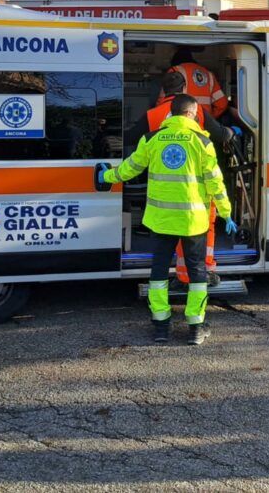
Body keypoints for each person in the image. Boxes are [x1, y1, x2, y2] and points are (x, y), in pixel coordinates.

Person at [99, 94, 236, 345]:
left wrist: (106, 177)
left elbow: (130, 168)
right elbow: (215, 182)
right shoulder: (203, 142)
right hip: (193, 221)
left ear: (170, 113)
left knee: (159, 271)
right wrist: (226, 213)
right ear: (192, 113)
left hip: (161, 220)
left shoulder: (152, 139)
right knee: (196, 273)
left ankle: (161, 326)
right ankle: (196, 327)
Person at [130, 71, 236, 289]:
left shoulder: (152, 115)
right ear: (185, 90)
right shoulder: (197, 114)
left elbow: (130, 138)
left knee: (164, 247)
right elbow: (220, 137)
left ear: (162, 92)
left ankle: (174, 285)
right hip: (195, 195)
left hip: (162, 192)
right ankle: (200, 276)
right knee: (200, 234)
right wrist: (232, 132)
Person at [163, 47, 229, 118]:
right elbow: (222, 104)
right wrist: (210, 118)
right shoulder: (208, 74)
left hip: (183, 122)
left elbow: (163, 101)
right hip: (204, 124)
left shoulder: (174, 71)